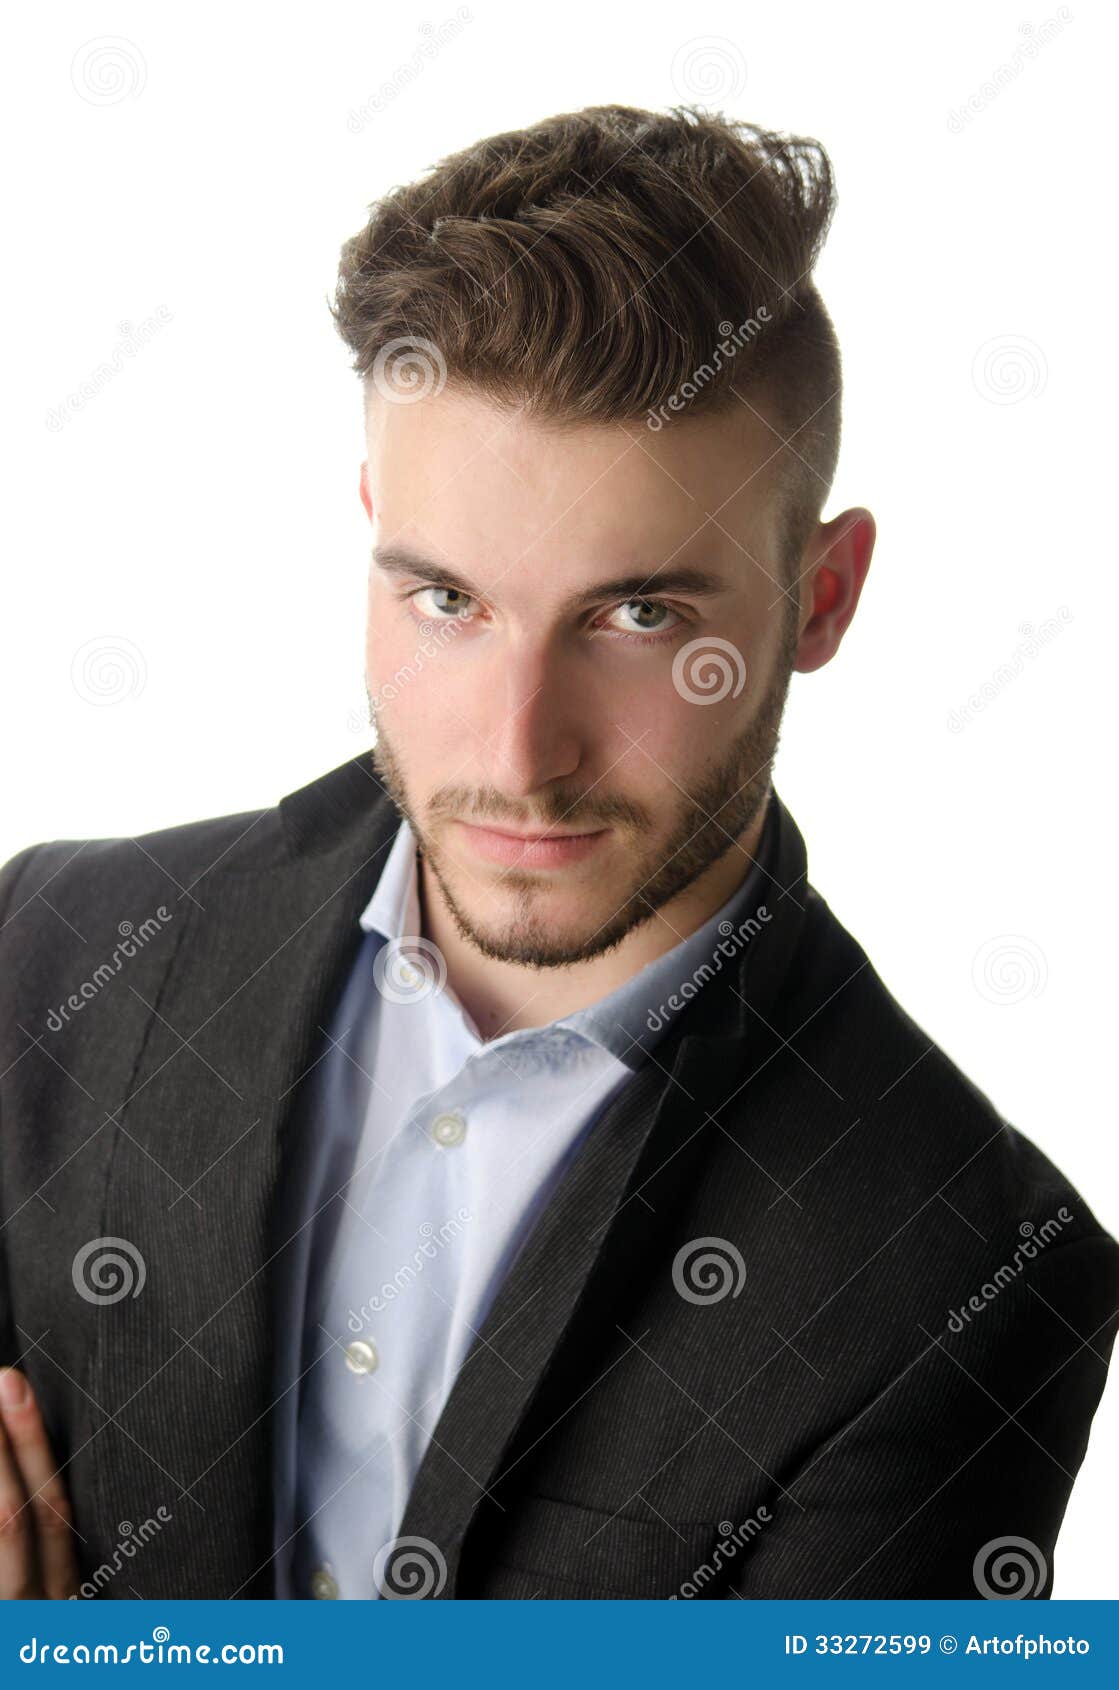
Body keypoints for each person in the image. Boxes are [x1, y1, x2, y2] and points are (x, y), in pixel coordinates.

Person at [1, 103, 1115, 1602]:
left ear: (825, 595)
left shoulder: (961, 1275)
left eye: (639, 616)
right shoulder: (60, 947)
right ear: (371, 535)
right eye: (447, 600)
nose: (518, 751)